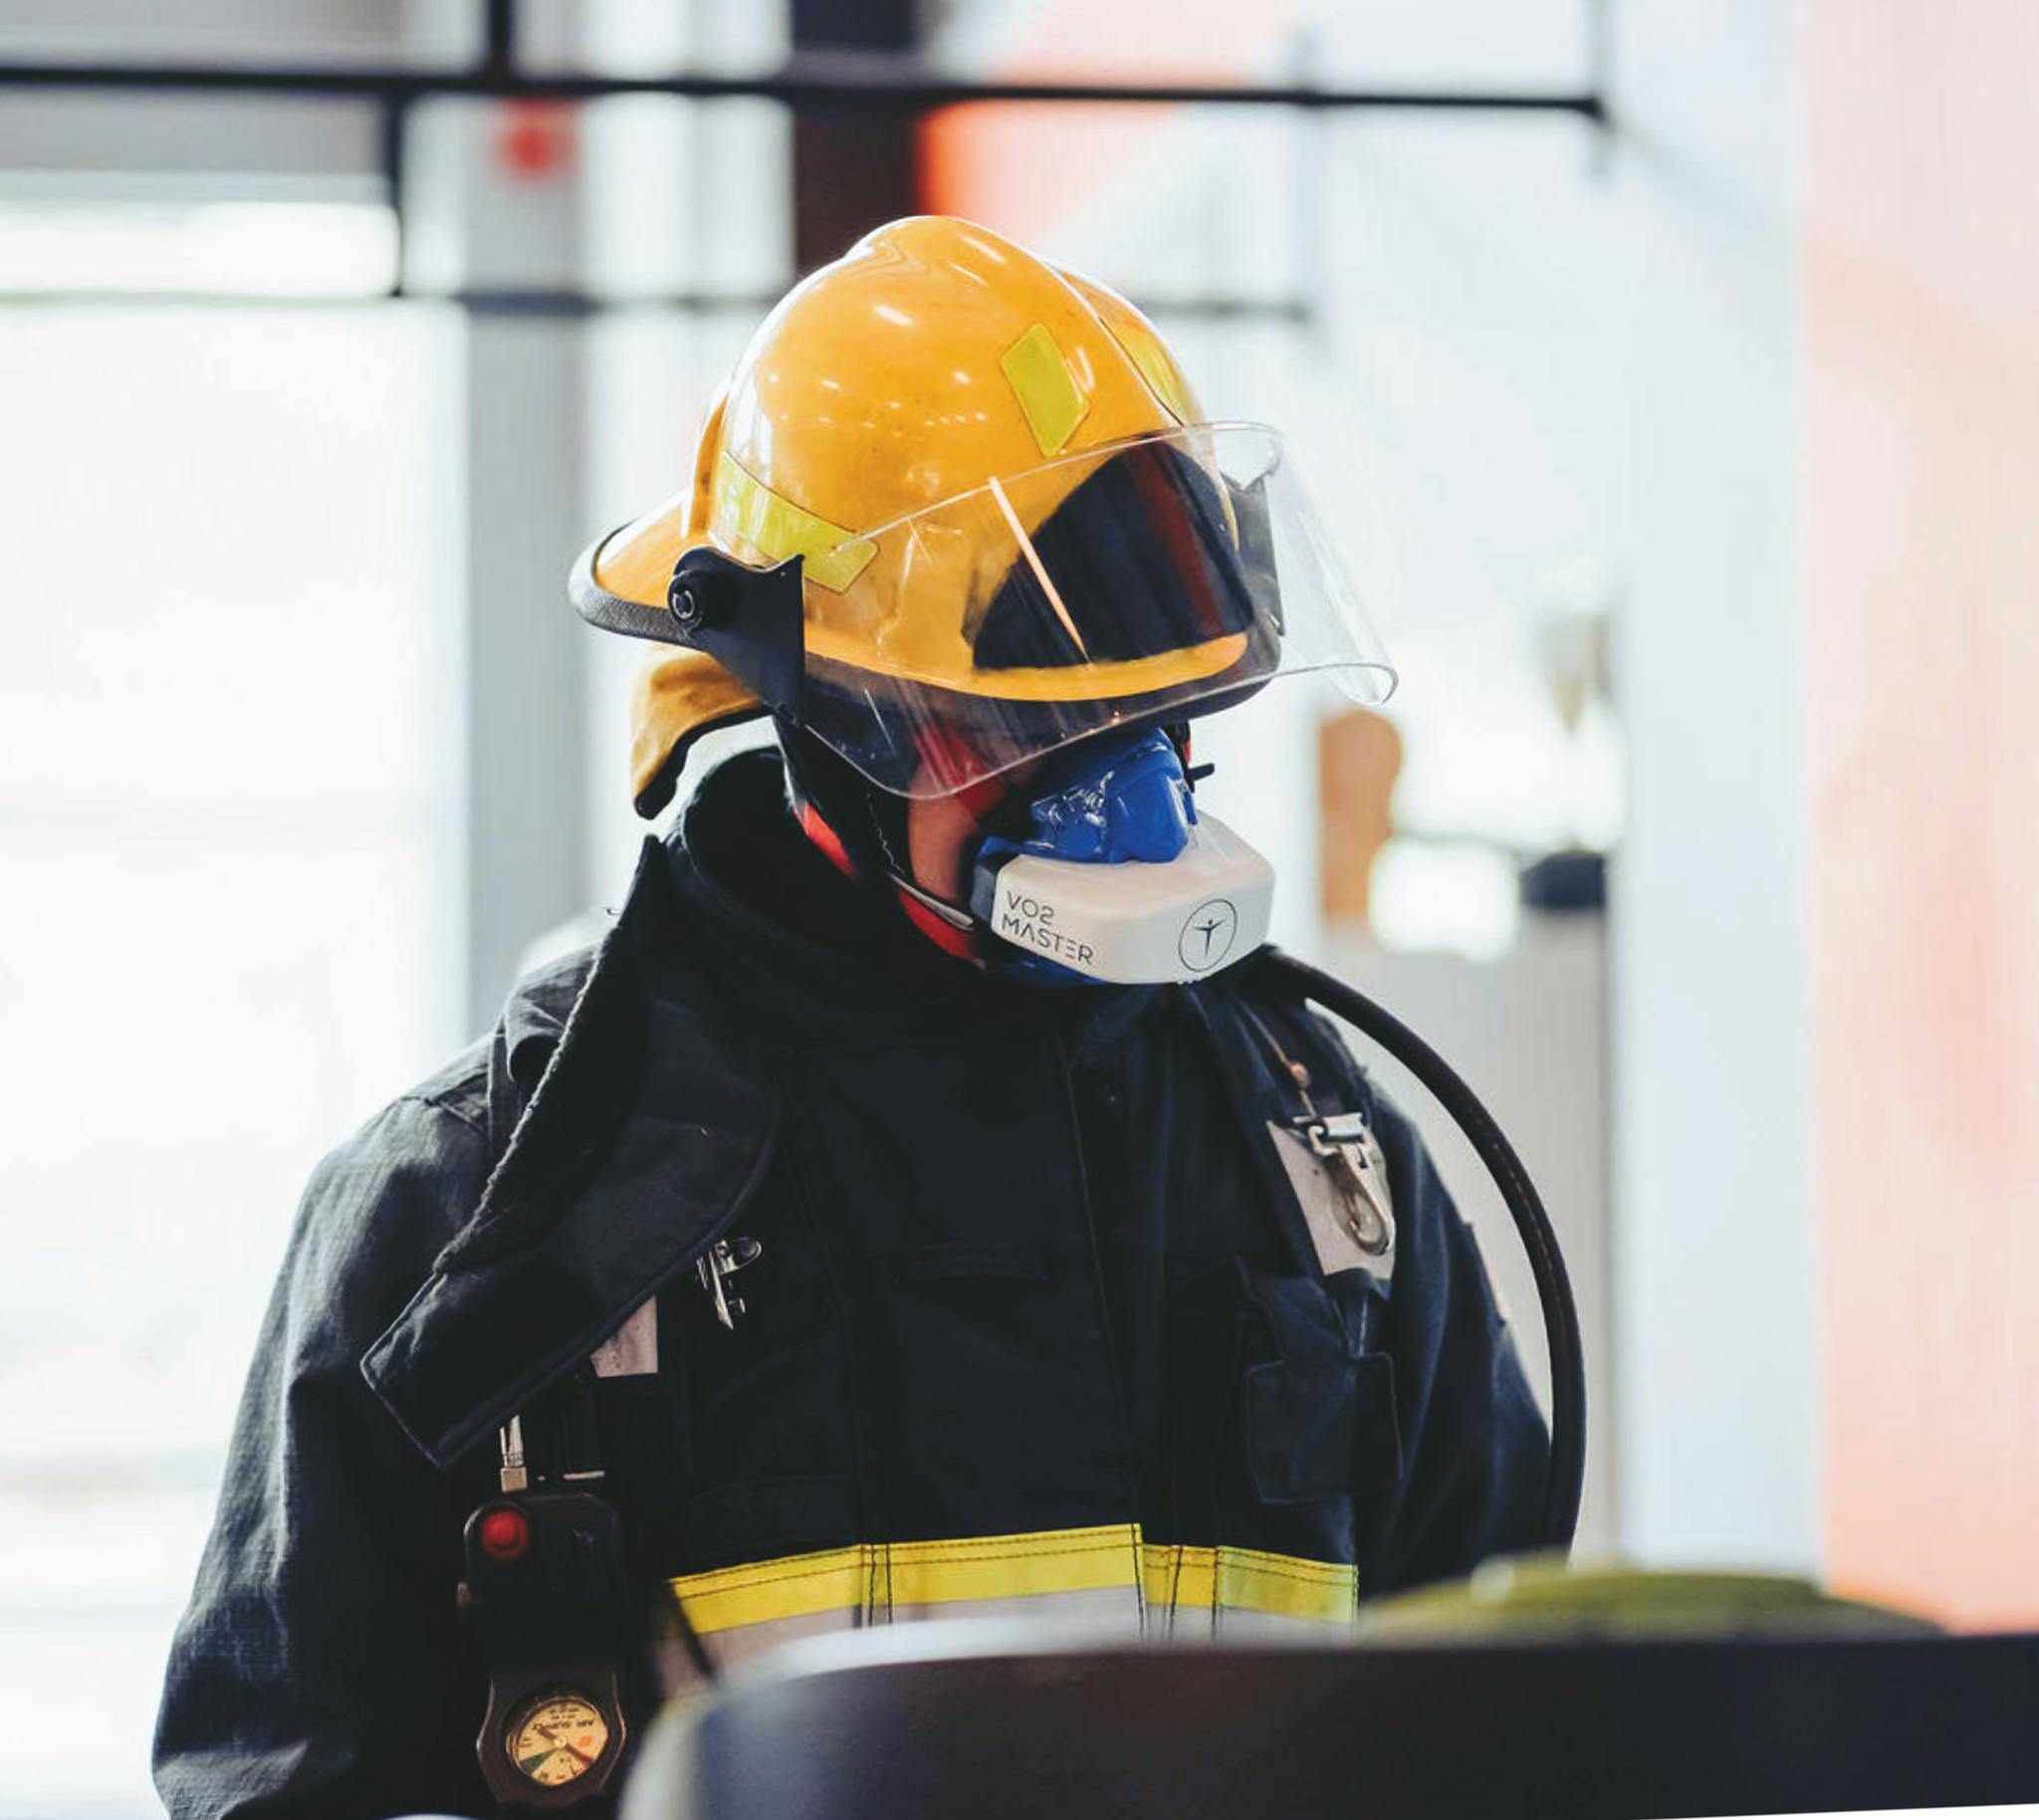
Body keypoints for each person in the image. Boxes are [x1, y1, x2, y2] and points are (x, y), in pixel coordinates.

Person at [155, 215, 1550, 1820]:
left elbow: (1497, 1735)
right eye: (1021, 730)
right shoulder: (473, 1218)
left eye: (1152, 718)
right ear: (819, 723)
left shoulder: (1325, 1160)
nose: (1124, 808)